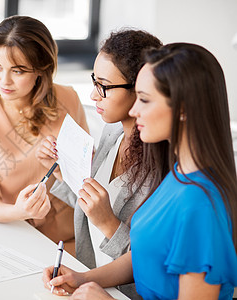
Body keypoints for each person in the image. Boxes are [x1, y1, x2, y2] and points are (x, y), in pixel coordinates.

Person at [42, 43, 237, 299]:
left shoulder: (199, 205)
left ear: (183, 110)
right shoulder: (179, 175)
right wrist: (83, 278)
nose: (134, 110)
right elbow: (143, 255)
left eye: (144, 99)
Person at [36, 29, 167, 298]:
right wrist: (62, 173)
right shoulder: (112, 132)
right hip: (96, 282)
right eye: (95, 81)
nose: (94, 95)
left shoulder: (165, 167)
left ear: (140, 89)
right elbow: (91, 208)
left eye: (104, 86)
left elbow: (153, 260)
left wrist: (108, 223)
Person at [0, 15, 89, 253]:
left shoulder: (68, 99)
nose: (3, 81)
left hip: (67, 239)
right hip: (10, 234)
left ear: (41, 70)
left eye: (18, 71)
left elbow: (86, 178)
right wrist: (19, 212)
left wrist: (60, 169)